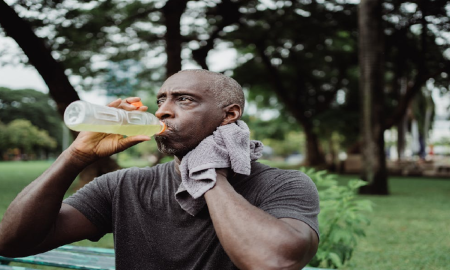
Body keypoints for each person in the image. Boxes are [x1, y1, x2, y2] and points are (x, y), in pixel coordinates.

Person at [0, 69, 320, 269]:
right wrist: (75, 156)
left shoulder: (283, 185)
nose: (164, 111)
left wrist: (208, 172)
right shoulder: (123, 186)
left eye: (184, 100)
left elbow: (272, 261)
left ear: (229, 115)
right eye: (161, 100)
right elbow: (13, 243)